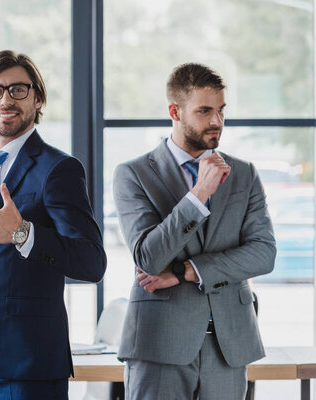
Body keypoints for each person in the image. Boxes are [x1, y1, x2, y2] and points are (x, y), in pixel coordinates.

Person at [0, 50, 107, 399]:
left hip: (28, 365)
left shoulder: (58, 169)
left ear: (37, 98)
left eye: (18, 89)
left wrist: (22, 234)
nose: (6, 99)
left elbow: (92, 262)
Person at [113, 63, 276, 400]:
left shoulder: (244, 173)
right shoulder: (134, 173)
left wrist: (187, 271)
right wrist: (199, 194)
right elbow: (148, 256)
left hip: (228, 346)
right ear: (175, 111)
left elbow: (264, 253)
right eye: (204, 111)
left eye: (220, 110)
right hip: (159, 345)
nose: (216, 121)